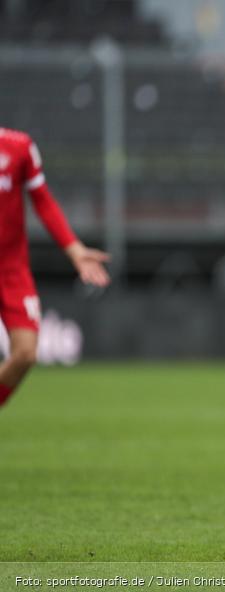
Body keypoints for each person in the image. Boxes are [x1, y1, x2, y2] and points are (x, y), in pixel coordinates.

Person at [0, 127, 110, 409]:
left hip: (11, 268)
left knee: (25, 354)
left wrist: (75, 250)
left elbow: (42, 200)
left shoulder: (19, 146)